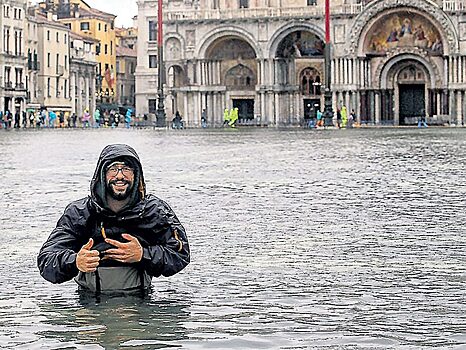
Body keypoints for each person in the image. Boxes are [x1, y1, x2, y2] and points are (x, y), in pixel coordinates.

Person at [37, 144, 190, 294]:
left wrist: (142, 254)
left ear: (136, 175)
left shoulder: (155, 211)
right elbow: (46, 260)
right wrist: (75, 260)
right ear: (102, 175)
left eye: (126, 169)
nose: (120, 176)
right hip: (89, 306)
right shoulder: (79, 213)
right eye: (113, 169)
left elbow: (181, 254)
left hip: (140, 302)